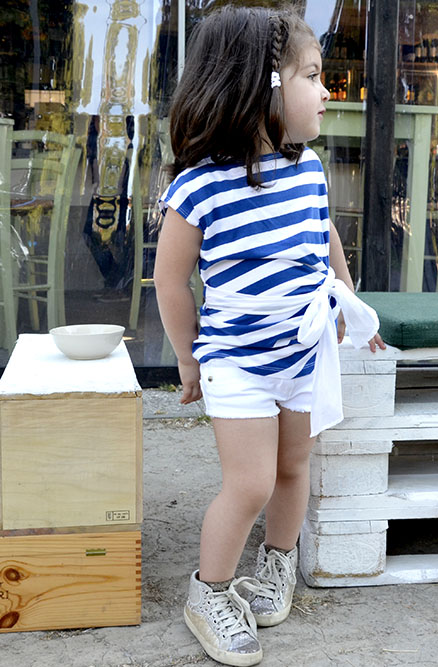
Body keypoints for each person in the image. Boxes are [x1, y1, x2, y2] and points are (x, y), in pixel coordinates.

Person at [153, 6, 385, 666]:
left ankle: (276, 566)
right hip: (237, 361)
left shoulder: (308, 169)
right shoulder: (199, 187)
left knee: (292, 469)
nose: (327, 90)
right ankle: (210, 590)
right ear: (264, 88)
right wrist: (187, 357)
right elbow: (171, 281)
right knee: (249, 481)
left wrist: (347, 301)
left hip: (302, 353)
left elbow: (326, 237)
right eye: (313, 76)